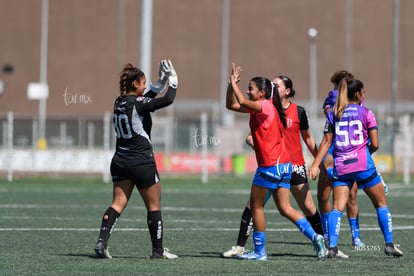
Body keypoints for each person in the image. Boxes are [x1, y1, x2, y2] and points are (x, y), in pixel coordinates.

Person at [226, 63, 327, 261]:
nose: (247, 90)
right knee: (285, 209)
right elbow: (231, 105)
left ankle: (259, 252)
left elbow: (244, 101)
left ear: (262, 93)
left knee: (256, 207)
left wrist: (232, 82)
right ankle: (316, 238)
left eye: (251, 88)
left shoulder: (264, 106)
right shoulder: (263, 107)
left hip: (270, 166)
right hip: (284, 166)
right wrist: (231, 86)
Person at [308, 78, 403, 258]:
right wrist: (363, 153)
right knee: (381, 204)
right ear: (358, 94)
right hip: (363, 165)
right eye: (364, 92)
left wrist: (314, 165)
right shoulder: (366, 113)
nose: (364, 95)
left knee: (337, 208)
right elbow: (375, 144)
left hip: (342, 166)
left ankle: (333, 249)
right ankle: (389, 244)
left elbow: (326, 142)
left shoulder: (333, 114)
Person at [94, 60, 179, 259]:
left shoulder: (118, 102)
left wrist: (159, 82)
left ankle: (101, 242)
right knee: (154, 206)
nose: (145, 86)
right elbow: (166, 100)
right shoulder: (138, 104)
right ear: (135, 85)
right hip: (142, 162)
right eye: (143, 83)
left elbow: (144, 100)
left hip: (121, 161)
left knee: (117, 203)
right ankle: (158, 251)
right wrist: (173, 81)